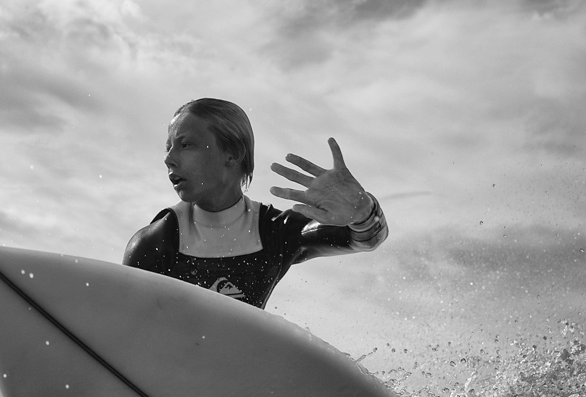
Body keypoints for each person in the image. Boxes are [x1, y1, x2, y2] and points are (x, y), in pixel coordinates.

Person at [123, 98, 388, 309]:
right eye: (168, 147)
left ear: (233, 154)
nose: (169, 159)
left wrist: (362, 212)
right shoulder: (157, 242)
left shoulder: (274, 232)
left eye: (185, 145)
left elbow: (367, 239)